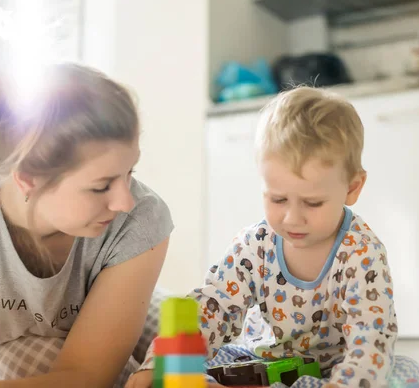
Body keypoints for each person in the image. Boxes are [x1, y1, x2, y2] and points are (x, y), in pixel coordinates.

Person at [127, 86, 397, 388]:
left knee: (399, 371)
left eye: (312, 203)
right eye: (278, 199)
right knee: (203, 366)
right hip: (257, 364)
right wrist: (158, 365)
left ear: (352, 188)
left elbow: (371, 336)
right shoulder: (255, 245)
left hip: (330, 374)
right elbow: (211, 308)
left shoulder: (361, 252)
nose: (292, 218)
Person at [0, 39, 173, 388]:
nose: (124, 202)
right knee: (49, 363)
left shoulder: (142, 216)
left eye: (129, 173)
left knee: (188, 342)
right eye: (101, 186)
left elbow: (87, 372)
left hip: (110, 298)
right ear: (27, 179)